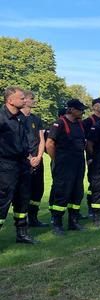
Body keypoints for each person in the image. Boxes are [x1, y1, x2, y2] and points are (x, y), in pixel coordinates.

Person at [0, 86, 39, 245]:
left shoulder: (21, 118)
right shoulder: (1, 118)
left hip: (22, 165)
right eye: (22, 98)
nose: (25, 100)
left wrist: (30, 158)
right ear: (10, 100)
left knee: (23, 199)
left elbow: (23, 142)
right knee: (2, 201)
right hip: (5, 165)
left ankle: (22, 234)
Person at [46, 99, 88, 234]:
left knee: (77, 193)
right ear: (71, 109)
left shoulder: (80, 124)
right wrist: (56, 160)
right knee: (62, 193)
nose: (82, 112)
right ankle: (57, 223)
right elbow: (50, 144)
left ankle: (73, 222)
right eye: (80, 109)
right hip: (64, 164)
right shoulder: (59, 124)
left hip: (78, 163)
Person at [22, 90, 47, 228]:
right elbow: (17, 142)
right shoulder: (17, 118)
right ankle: (22, 219)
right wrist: (29, 158)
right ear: (24, 100)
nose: (34, 100)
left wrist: (39, 156)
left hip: (38, 160)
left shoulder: (36, 119)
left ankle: (33, 218)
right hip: (24, 161)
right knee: (24, 190)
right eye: (32, 98)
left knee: (38, 190)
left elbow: (41, 140)